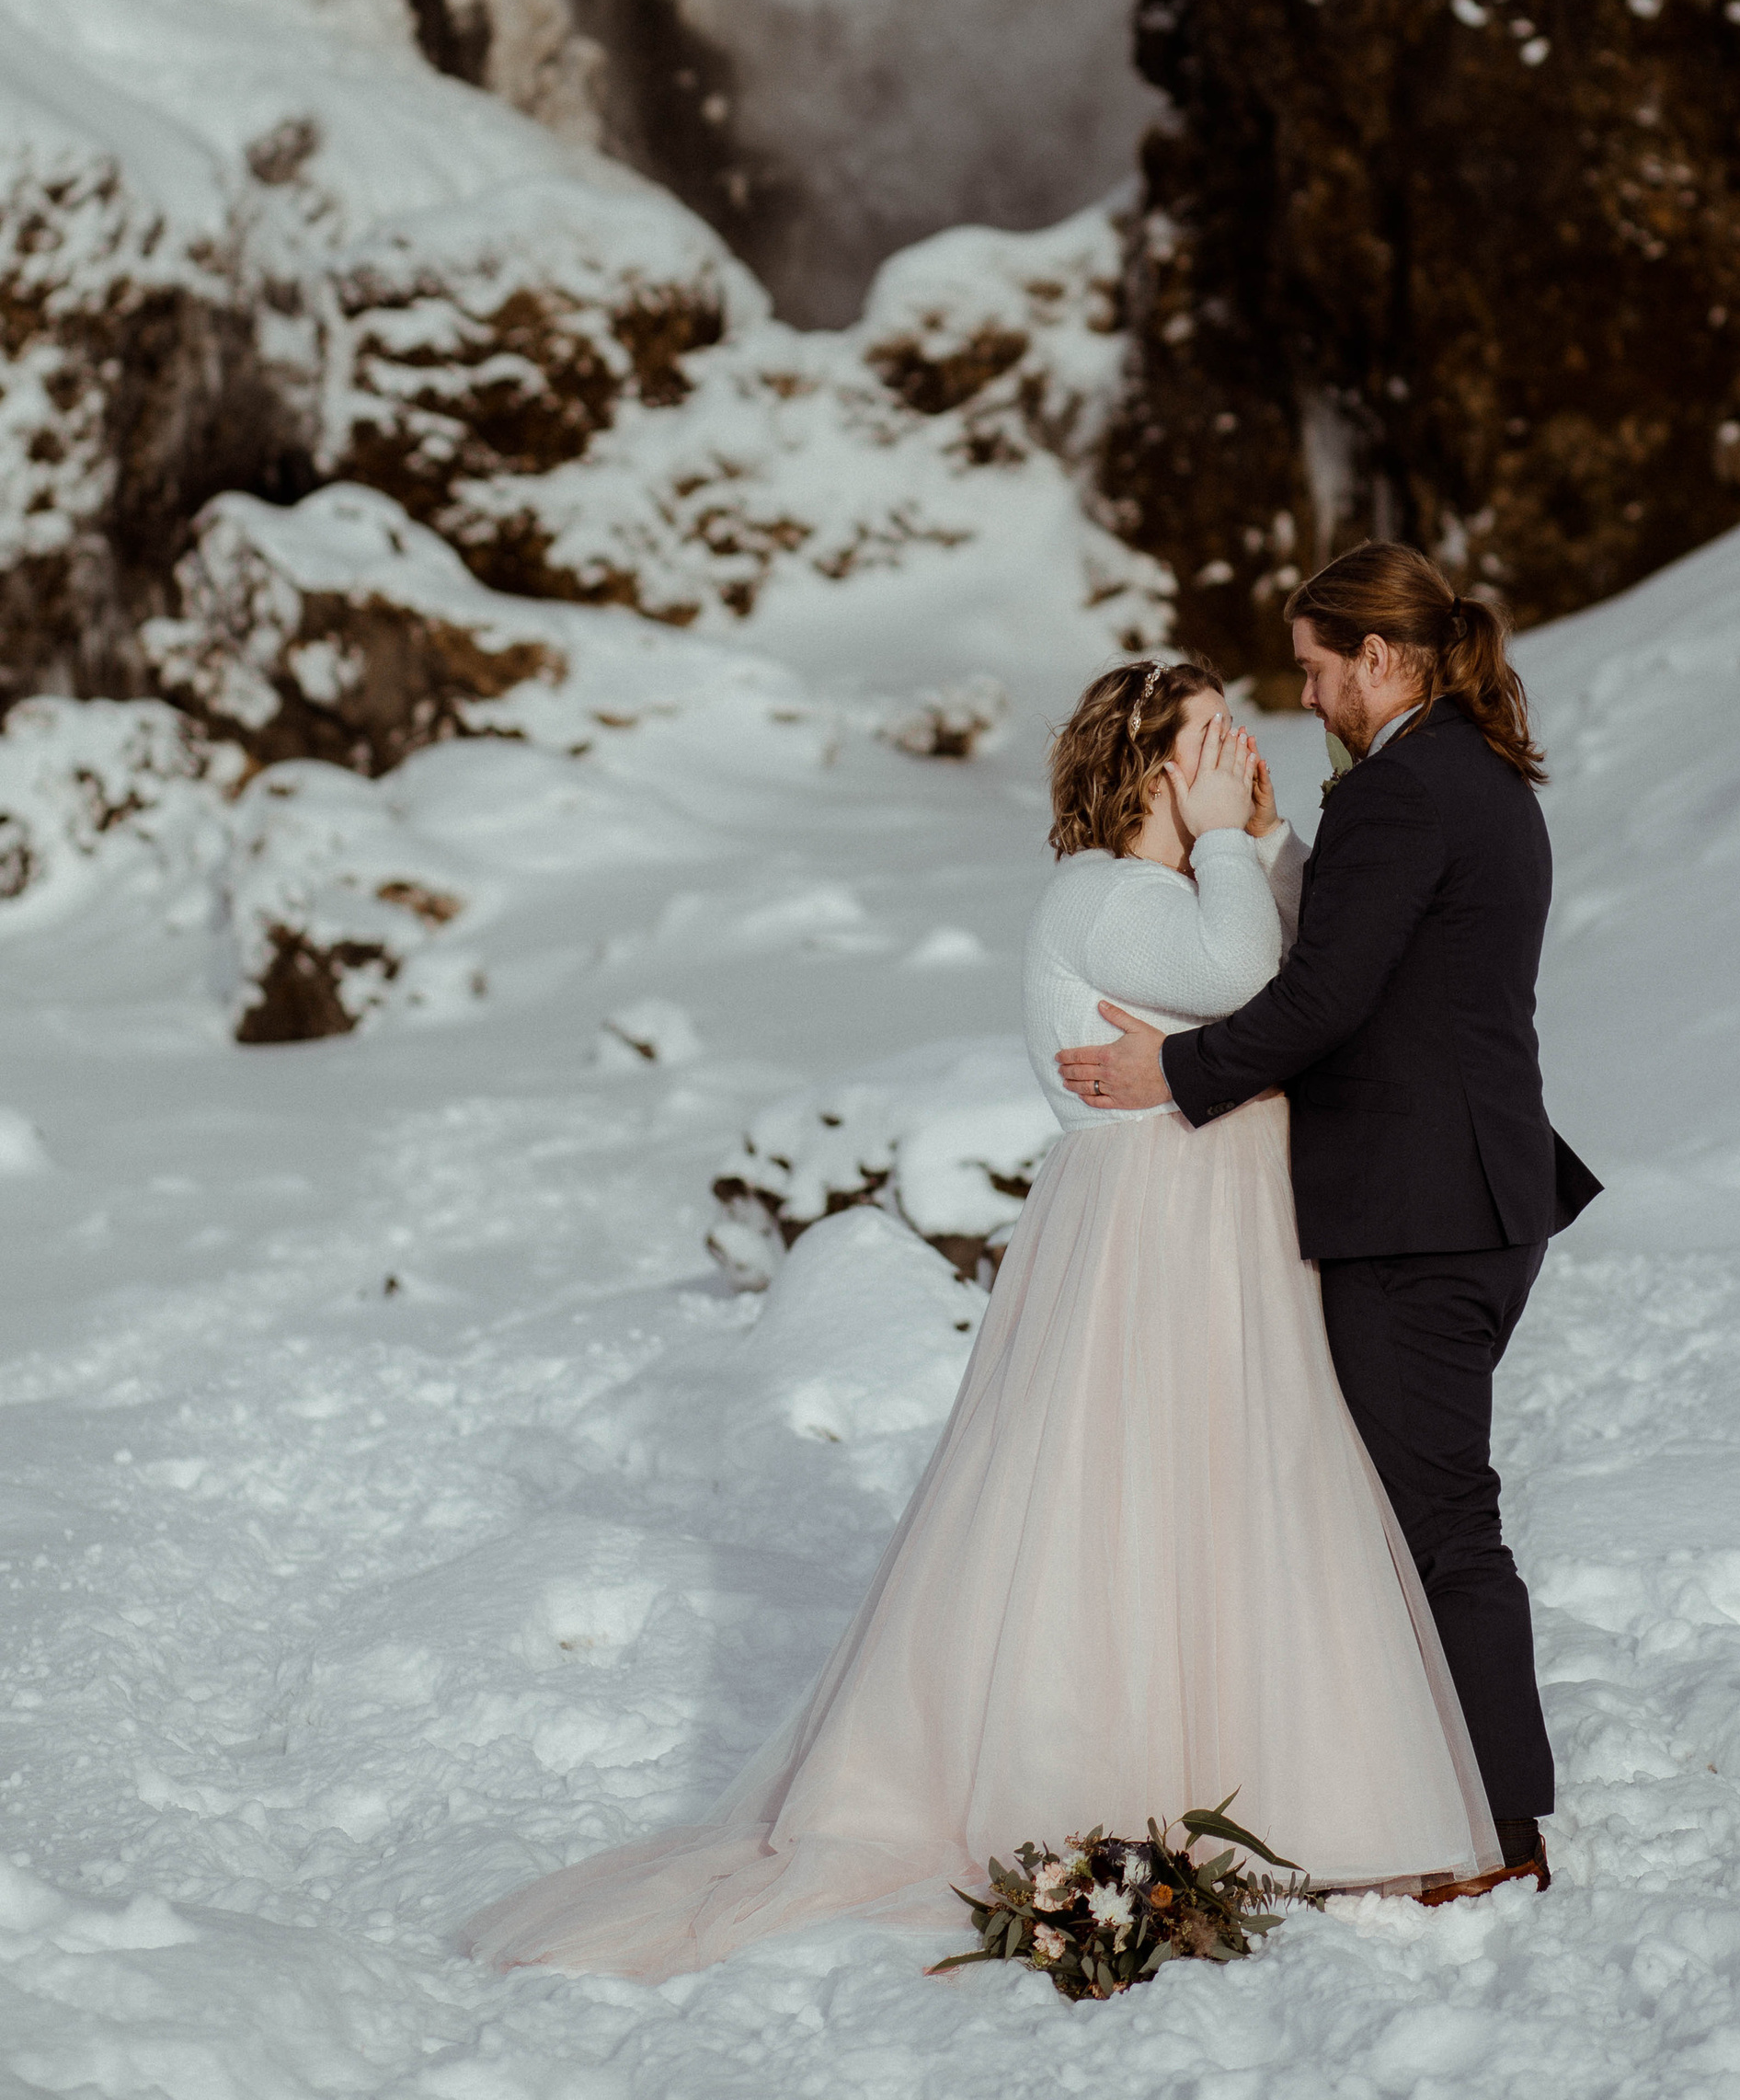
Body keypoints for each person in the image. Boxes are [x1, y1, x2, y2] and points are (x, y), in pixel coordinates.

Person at [461, 657, 1497, 1980]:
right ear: (1150, 767)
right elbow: (1243, 970)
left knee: (1245, 1494)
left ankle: (1298, 1793)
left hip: (1224, 1233)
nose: (1241, 748)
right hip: (1152, 1239)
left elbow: (1307, 966)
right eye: (1211, 736)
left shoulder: (1194, 880)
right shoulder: (1102, 896)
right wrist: (1233, 841)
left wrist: (1262, 827)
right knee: (1127, 1504)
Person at [1058, 545, 1599, 1904]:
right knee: (1414, 1511)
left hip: (1418, 1212)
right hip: (1476, 1194)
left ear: (1380, 655)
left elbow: (1322, 1000)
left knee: (1436, 1524)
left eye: (1313, 668)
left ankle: (1499, 1830)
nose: (1302, 697)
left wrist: (1172, 1073)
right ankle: (1448, 1798)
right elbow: (1379, 965)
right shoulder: (1476, 775)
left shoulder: (1401, 792)